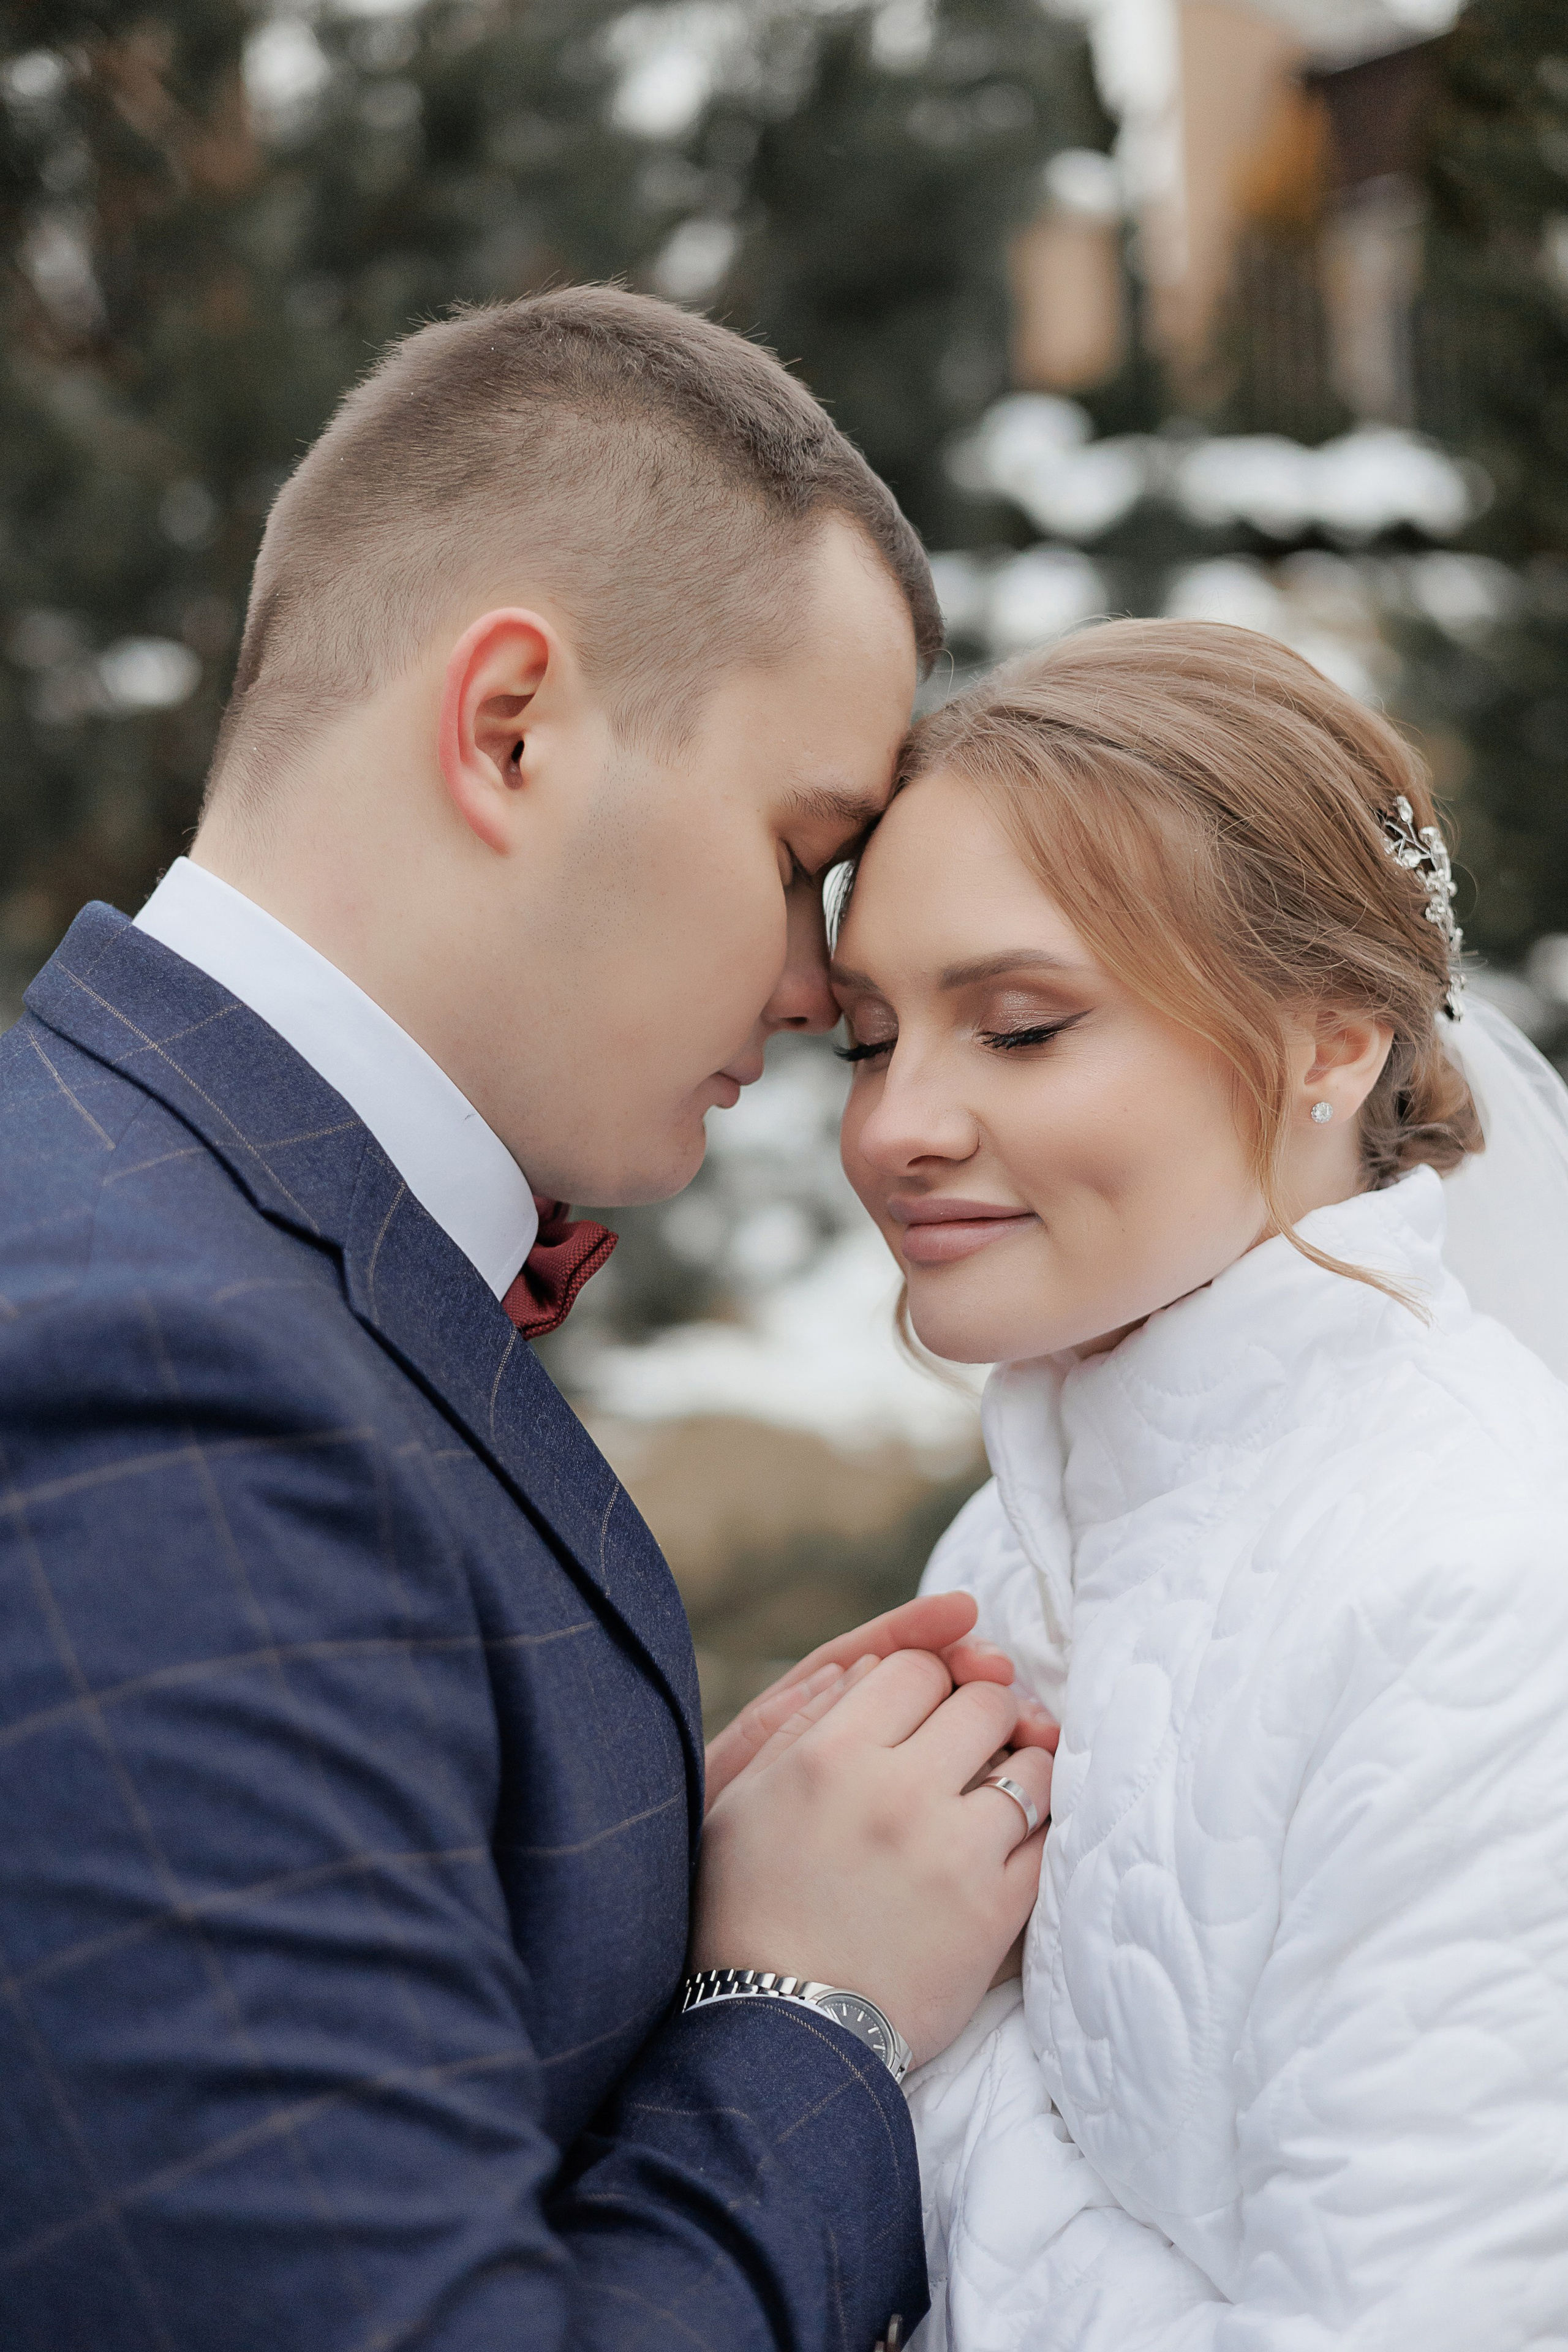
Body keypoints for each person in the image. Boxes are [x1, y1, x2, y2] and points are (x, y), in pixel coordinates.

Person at [0, 287, 1057, 2352]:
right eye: (802, 853)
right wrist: (804, 2020)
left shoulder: (187, 1214)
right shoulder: (153, 1382)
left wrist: (645, 1895)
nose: (816, 989)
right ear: (510, 728)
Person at [831, 619, 1568, 2350]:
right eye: (865, 1038)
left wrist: (853, 2038)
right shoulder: (1013, 1525)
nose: (893, 1127)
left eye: (1017, 1029)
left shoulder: (1486, 1596)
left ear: (1334, 1043)